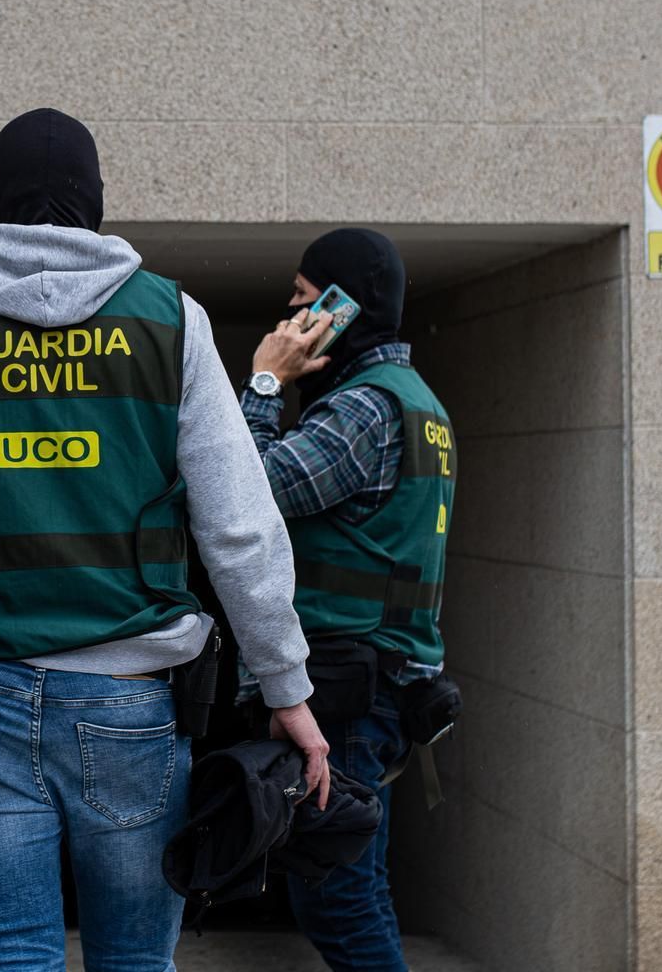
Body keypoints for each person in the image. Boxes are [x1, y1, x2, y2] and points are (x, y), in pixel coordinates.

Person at [0, 108, 331, 972]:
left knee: (9, 957)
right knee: (136, 961)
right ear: (97, 204)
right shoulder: (168, 318)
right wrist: (287, 688)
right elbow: (239, 525)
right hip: (129, 701)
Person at [243, 228, 456, 972]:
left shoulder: (365, 410)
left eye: (303, 301)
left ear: (342, 309)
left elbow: (247, 491)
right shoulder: (416, 402)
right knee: (354, 886)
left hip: (352, 695)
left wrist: (265, 382)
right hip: (380, 684)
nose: (288, 319)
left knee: (339, 898)